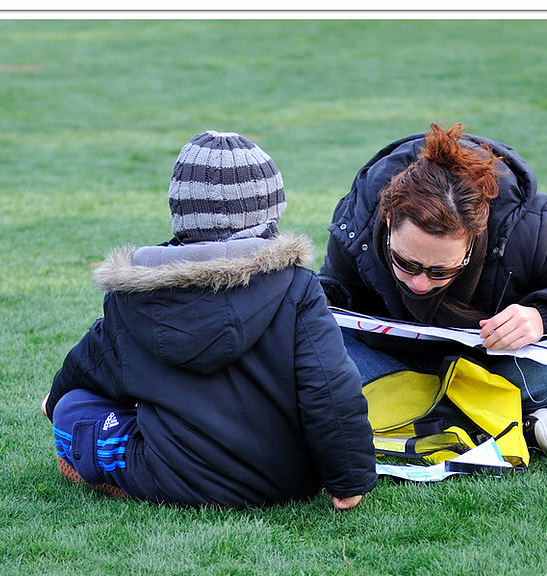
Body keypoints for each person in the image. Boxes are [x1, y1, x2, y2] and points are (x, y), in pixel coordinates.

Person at [41, 130, 376, 509]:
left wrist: (55, 400)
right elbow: (330, 389)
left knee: (74, 410)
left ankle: (107, 471)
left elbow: (93, 361)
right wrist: (349, 482)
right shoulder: (298, 288)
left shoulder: (136, 293)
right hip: (287, 481)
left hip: (169, 479)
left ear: (179, 211)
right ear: (270, 212)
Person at [318, 122, 547, 456]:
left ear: (475, 237)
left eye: (440, 270)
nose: (419, 283)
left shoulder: (531, 229)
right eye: (405, 262)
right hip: (396, 361)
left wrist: (541, 317)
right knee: (315, 350)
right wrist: (323, 302)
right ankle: (501, 423)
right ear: (387, 221)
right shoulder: (358, 218)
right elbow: (338, 291)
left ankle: (398, 420)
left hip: (498, 368)